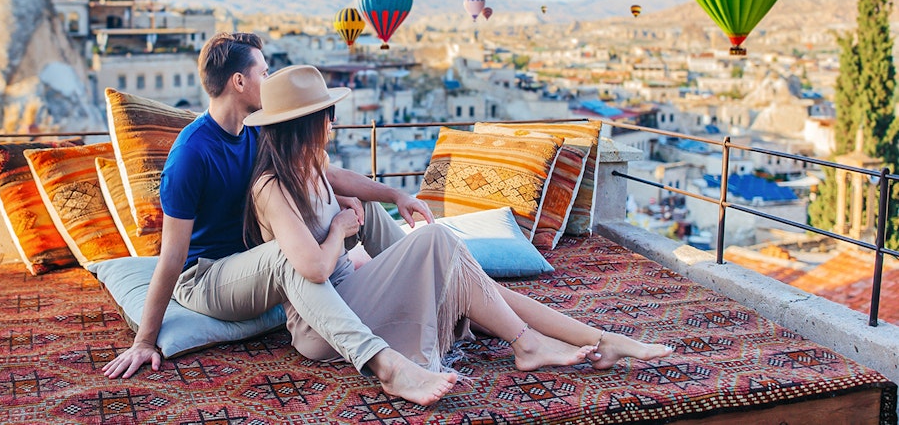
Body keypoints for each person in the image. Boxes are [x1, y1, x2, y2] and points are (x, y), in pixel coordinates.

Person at [242, 65, 673, 388]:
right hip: (325, 326)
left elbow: (339, 179)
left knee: (471, 278)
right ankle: (528, 343)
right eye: (326, 115)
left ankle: (599, 338)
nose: (332, 123)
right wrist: (338, 228)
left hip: (354, 294)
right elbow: (313, 270)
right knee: (437, 241)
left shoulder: (308, 162)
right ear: (307, 124)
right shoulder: (271, 187)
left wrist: (396, 196)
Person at [103, 33, 458, 406]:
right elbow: (173, 256)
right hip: (207, 277)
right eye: (265, 72)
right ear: (238, 82)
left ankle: (445, 287)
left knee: (351, 207)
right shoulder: (191, 155)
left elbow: (327, 171)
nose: (270, 81)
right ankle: (386, 366)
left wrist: (395, 194)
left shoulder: (257, 129)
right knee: (287, 255)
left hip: (255, 263)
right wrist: (144, 341)